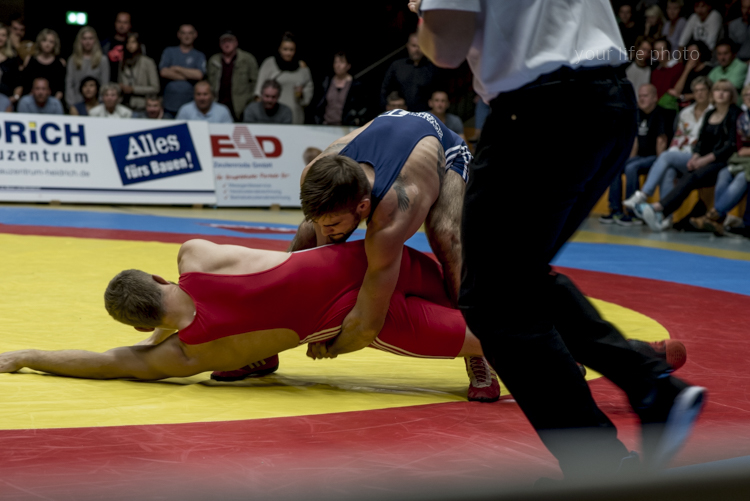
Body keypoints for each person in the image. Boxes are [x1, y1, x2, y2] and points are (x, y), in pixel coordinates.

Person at [413, 0, 705, 480]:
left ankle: (604, 461)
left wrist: (424, 13)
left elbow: (445, 46)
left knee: (491, 300)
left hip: (541, 114)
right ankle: (648, 384)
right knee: (516, 278)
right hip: (610, 103)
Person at [0, 240, 486, 390]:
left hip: (365, 316)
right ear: (158, 277)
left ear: (143, 325)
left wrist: (27, 355)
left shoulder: (188, 354)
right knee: (471, 290)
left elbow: (108, 363)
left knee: (492, 335)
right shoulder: (195, 254)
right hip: (372, 258)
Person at [270, 109, 500, 402]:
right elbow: (321, 249)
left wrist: (333, 345)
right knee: (307, 234)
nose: (325, 230)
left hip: (443, 147)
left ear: (363, 207)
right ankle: (266, 347)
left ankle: (477, 355)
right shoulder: (314, 174)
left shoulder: (395, 206)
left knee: (447, 236)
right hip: (388, 131)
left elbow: (370, 322)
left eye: (334, 223)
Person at [635, 79, 741, 231]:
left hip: (722, 160)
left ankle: (658, 207)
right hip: (704, 159)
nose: (721, 94)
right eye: (718, 90)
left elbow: (730, 146)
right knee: (673, 171)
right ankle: (664, 216)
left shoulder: (735, 113)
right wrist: (696, 156)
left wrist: (704, 160)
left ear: (731, 95)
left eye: (725, 91)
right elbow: (701, 141)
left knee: (692, 175)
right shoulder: (710, 113)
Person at [624, 77, 713, 209]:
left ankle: (643, 194)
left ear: (709, 92)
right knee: (668, 169)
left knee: (666, 156)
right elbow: (677, 139)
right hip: (683, 156)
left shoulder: (713, 113)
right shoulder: (685, 113)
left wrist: (671, 156)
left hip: (702, 157)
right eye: (696, 90)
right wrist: (672, 156)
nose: (699, 93)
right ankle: (664, 215)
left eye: (703, 90)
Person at [600, 84, 668, 225]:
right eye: (640, 96)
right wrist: (627, 160)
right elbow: (634, 141)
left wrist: (661, 165)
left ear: (655, 98)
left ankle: (633, 212)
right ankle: (615, 210)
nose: (641, 99)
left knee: (632, 167)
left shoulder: (660, 114)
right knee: (616, 166)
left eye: (645, 96)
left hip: (655, 158)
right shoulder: (637, 114)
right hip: (639, 157)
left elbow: (661, 141)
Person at [688, 83, 750, 235]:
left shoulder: (735, 114)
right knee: (724, 174)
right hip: (741, 160)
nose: (749, 98)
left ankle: (712, 216)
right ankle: (718, 220)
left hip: (746, 163)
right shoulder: (743, 117)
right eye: (746, 95)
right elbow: (739, 146)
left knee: (742, 177)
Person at [254, 32, 313, 125]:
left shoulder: (302, 69)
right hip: (271, 117)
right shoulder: (269, 64)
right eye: (285, 49)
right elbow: (259, 93)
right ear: (279, 49)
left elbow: (308, 96)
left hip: (295, 116)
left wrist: (301, 94)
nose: (288, 53)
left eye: (291, 50)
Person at [380, 33, 441, 113]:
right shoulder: (397, 66)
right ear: (408, 46)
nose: (417, 49)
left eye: (420, 46)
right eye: (414, 46)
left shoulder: (432, 68)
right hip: (398, 112)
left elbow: (438, 93)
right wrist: (386, 108)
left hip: (424, 113)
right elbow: (385, 89)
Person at [207, 30, 258, 122]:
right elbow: (208, 82)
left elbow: (255, 83)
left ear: (236, 43)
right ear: (220, 44)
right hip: (218, 105)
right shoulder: (213, 60)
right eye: (224, 42)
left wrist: (249, 102)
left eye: (230, 41)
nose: (227, 44)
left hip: (240, 107)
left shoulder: (247, 59)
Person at [159, 24, 206, 117]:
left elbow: (199, 75)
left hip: (191, 105)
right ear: (179, 35)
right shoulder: (169, 51)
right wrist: (189, 76)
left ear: (195, 35)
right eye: (184, 33)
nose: (187, 36)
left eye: (190, 33)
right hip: (169, 105)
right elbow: (164, 72)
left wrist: (177, 68)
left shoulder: (199, 55)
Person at [314, 52, 366, 126]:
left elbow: (361, 107)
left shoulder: (355, 85)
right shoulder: (327, 82)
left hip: (346, 126)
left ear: (348, 66)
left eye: (341, 62)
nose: (338, 65)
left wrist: (356, 120)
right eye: (336, 62)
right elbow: (319, 104)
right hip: (326, 124)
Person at [65, 26, 109, 108]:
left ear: (95, 40)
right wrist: (71, 105)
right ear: (80, 40)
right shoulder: (72, 60)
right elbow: (69, 84)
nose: (87, 42)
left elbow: (104, 84)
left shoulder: (102, 60)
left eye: (90, 38)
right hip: (76, 103)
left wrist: (101, 104)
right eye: (84, 39)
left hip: (97, 104)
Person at [118, 32, 159, 117]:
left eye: (133, 42)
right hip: (124, 106)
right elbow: (120, 82)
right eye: (128, 42)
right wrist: (121, 87)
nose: (130, 45)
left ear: (139, 44)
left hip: (142, 107)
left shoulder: (147, 62)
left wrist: (133, 89)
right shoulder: (122, 62)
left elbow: (155, 88)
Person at [22, 29, 66, 101]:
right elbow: (24, 85)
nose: (47, 44)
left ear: (55, 44)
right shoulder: (30, 60)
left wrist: (53, 103)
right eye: (44, 40)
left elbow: (60, 90)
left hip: (52, 102)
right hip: (31, 101)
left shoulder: (60, 63)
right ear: (39, 42)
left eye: (51, 42)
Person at [101, 12, 144, 83]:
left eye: (125, 22)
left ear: (130, 25)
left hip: (131, 85)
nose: (121, 25)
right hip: (109, 84)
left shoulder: (138, 45)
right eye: (119, 22)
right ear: (115, 23)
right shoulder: (106, 44)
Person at [668, 41, 712, 106]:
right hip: (683, 106)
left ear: (701, 53)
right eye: (688, 53)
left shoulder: (709, 70)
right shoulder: (685, 69)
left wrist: (690, 96)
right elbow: (676, 91)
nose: (691, 56)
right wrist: (687, 70)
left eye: (694, 53)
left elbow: (710, 92)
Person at [0, 22, 23, 106]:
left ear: (7, 38)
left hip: (7, 101)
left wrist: (15, 98)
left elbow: (18, 83)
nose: (0, 38)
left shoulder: (12, 59)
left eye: (3, 35)